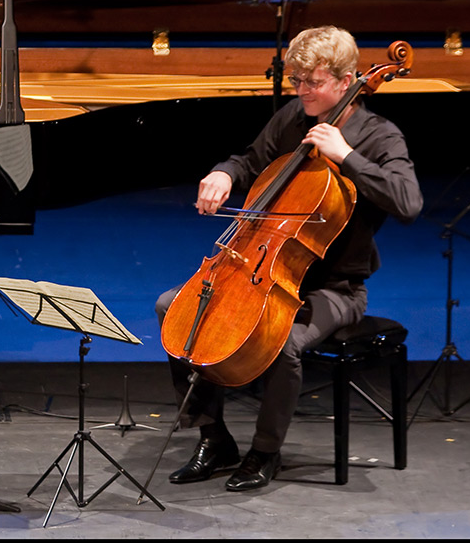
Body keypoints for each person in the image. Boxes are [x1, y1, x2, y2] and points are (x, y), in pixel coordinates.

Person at [155, 25, 423, 492]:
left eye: (312, 82)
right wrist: (222, 172)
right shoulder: (292, 118)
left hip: (335, 288)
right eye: (297, 81)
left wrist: (348, 157)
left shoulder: (380, 137)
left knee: (284, 343)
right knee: (174, 309)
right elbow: (248, 162)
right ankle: (213, 436)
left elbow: (408, 202)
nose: (302, 92)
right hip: (262, 267)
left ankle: (265, 451)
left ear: (345, 81)